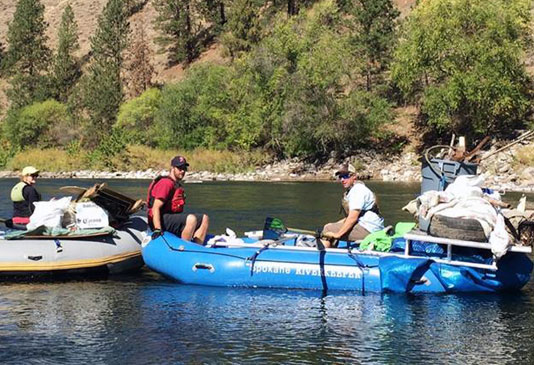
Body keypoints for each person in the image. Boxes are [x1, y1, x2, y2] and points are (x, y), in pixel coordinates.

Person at [147, 156, 209, 244]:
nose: (183, 171)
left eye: (184, 168)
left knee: (204, 218)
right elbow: (155, 208)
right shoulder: (166, 183)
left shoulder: (175, 184)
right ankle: (184, 248)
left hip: (170, 218)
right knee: (191, 219)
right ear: (172, 168)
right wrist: (157, 229)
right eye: (179, 168)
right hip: (159, 219)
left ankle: (197, 247)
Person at [321, 163, 384, 248]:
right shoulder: (356, 189)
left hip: (369, 229)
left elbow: (352, 218)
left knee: (328, 230)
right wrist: (333, 224)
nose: (342, 179)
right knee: (328, 226)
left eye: (346, 176)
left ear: (353, 176)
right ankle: (331, 249)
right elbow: (351, 217)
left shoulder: (357, 191)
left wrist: (337, 234)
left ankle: (320, 257)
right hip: (368, 226)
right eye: (340, 177)